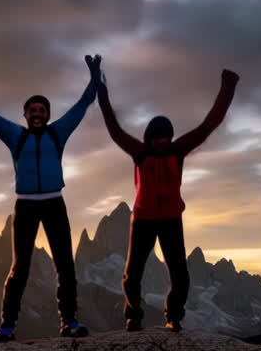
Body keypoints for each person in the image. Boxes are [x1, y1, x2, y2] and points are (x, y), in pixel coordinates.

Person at [0, 55, 102, 342]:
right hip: (25, 205)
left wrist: (94, 74)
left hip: (54, 203)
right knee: (21, 266)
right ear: (25, 115)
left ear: (47, 115)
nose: (37, 114)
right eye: (32, 110)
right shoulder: (15, 136)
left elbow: (82, 105)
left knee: (65, 263)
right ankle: (7, 325)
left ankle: (69, 321)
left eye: (41, 110)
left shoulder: (58, 133)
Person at [97, 66, 240, 332]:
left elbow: (209, 124)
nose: (163, 141)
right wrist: (101, 90)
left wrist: (227, 88)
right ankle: (134, 317)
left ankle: (173, 317)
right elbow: (114, 129)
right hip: (143, 220)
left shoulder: (178, 151)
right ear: (150, 138)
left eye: (166, 137)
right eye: (158, 137)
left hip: (171, 219)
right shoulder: (140, 152)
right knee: (133, 274)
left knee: (180, 275)